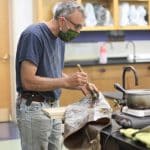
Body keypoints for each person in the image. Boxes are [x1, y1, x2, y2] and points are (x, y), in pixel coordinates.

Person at [15, 1, 98, 150]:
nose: (78, 31)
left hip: (53, 106)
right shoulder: (34, 36)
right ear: (62, 21)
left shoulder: (60, 38)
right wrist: (65, 82)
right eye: (77, 26)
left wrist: (79, 84)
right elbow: (27, 81)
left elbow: (52, 71)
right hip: (34, 107)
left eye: (81, 26)